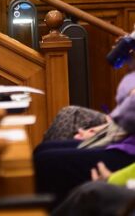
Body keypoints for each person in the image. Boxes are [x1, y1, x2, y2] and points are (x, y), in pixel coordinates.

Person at [34, 71, 135, 206]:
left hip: (129, 152)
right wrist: (103, 130)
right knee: (43, 150)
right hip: (124, 136)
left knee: (47, 161)